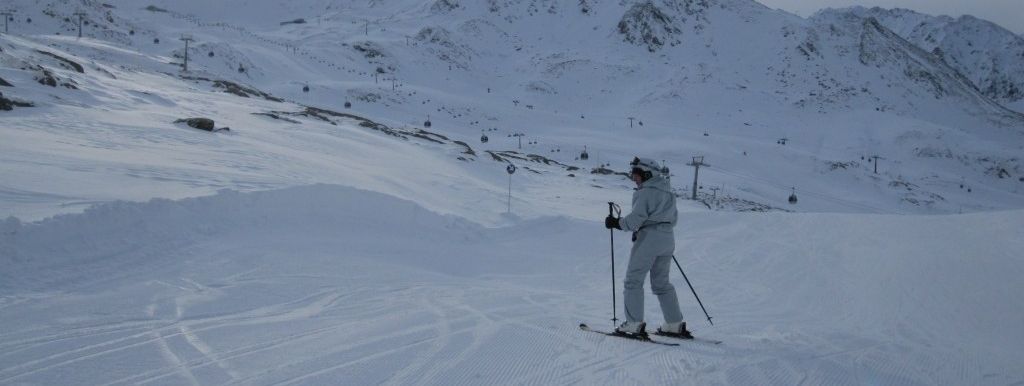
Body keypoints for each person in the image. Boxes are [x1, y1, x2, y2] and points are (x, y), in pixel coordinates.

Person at [605, 157, 692, 338]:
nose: (635, 179)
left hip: (650, 238)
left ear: (647, 173)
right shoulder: (668, 192)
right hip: (667, 238)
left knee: (633, 280)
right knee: (661, 282)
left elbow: (635, 219)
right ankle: (674, 324)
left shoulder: (646, 192)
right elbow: (670, 217)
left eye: (637, 175)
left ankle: (633, 323)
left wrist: (616, 223)